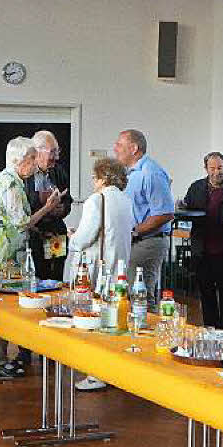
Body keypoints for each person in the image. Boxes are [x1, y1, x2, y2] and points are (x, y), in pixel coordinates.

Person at [0, 137, 63, 377]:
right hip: (4, 250)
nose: (35, 165)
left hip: (0, 246)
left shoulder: (4, 178)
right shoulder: (12, 184)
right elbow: (21, 222)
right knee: (3, 304)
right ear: (20, 160)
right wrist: (47, 207)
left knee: (1, 302)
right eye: (31, 160)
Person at [69, 157, 133, 392]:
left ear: (104, 178)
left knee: (93, 319)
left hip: (97, 267)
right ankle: (114, 370)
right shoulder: (126, 200)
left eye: (94, 177)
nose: (92, 181)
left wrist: (72, 238)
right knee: (114, 320)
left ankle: (96, 373)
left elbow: (85, 237)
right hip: (120, 266)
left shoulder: (97, 200)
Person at [182, 153, 223, 330]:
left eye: (220, 168)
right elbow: (187, 209)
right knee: (206, 293)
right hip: (202, 250)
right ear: (206, 169)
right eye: (212, 168)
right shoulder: (196, 188)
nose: (217, 172)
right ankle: (210, 329)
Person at [113, 129, 173, 306]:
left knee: (141, 296)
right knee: (131, 295)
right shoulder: (131, 173)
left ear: (133, 148)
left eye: (119, 145)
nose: (115, 148)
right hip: (135, 241)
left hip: (147, 242)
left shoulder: (151, 173)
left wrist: (134, 231)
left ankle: (149, 333)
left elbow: (165, 212)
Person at [25, 131, 73, 280]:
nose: (56, 157)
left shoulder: (58, 171)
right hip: (34, 235)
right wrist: (46, 207)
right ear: (37, 151)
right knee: (37, 278)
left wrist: (61, 209)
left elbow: (68, 200)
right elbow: (22, 206)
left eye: (57, 151)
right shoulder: (25, 173)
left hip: (55, 235)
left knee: (56, 278)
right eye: (52, 152)